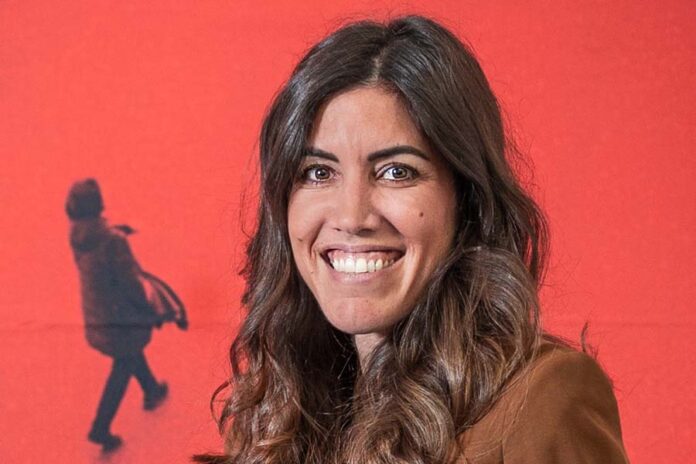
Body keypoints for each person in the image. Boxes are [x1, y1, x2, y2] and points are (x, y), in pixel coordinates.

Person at [197, 16, 629, 463]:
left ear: (466, 197)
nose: (352, 217)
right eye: (318, 173)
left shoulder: (542, 400)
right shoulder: (274, 417)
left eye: (396, 172)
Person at [66, 178, 169, 452]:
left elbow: (98, 249)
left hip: (97, 313)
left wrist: (115, 232)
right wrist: (147, 307)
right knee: (123, 363)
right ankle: (100, 427)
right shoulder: (112, 242)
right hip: (119, 315)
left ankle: (151, 389)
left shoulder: (77, 235)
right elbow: (130, 281)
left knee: (129, 352)